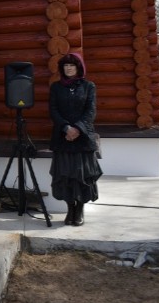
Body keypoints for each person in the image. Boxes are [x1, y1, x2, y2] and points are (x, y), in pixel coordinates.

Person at [49, 52, 103, 226]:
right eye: (65, 66)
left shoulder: (89, 86)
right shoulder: (56, 87)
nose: (69, 68)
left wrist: (77, 129)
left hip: (83, 138)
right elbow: (53, 110)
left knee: (81, 175)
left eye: (72, 65)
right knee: (65, 174)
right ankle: (70, 208)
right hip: (62, 137)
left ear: (79, 67)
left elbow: (91, 111)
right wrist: (66, 128)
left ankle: (79, 209)